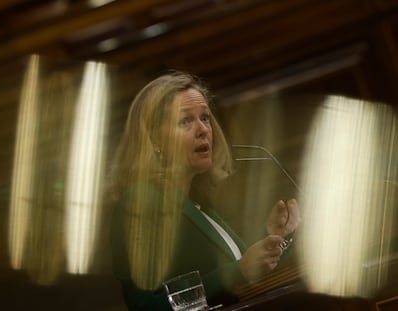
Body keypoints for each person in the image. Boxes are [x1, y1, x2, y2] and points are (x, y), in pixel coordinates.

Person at [108, 71, 300, 310]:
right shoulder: (140, 200)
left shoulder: (200, 207)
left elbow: (248, 277)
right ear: (155, 139)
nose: (202, 130)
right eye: (185, 121)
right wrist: (239, 271)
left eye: (205, 118)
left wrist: (277, 238)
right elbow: (144, 305)